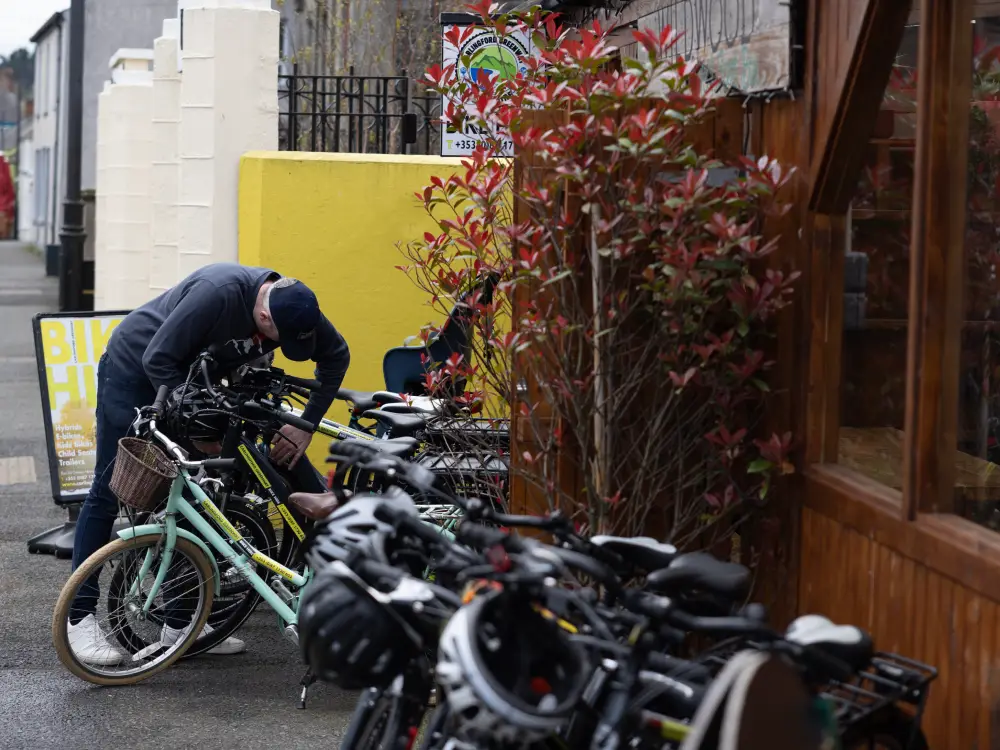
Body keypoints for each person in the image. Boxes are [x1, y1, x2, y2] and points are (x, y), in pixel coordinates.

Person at [66, 264, 350, 664]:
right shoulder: (218, 292)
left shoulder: (296, 305)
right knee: (111, 485)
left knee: (201, 492)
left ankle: (184, 625)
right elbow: (159, 358)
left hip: (197, 380)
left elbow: (336, 357)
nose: (279, 347)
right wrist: (198, 428)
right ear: (264, 316)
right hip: (137, 368)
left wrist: (305, 426)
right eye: (276, 340)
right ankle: (78, 619)